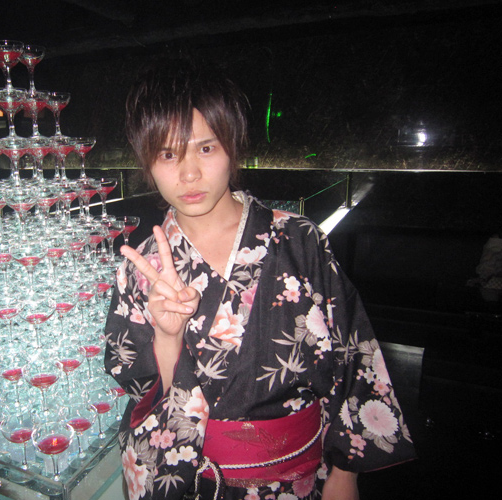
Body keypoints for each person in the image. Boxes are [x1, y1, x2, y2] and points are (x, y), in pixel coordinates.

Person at [104, 58, 416, 500]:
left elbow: (352, 356)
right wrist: (168, 339)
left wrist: (346, 473)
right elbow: (142, 392)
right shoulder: (141, 269)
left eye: (206, 148)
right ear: (146, 161)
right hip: (188, 484)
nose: (189, 173)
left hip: (294, 482)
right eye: (168, 154)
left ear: (233, 148)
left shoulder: (299, 240)